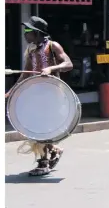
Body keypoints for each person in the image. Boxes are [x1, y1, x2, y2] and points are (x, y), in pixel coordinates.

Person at [6, 16, 73, 176]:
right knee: (36, 127)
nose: (25, 34)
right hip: (35, 94)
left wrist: (51, 68)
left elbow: (68, 64)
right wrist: (11, 92)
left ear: (37, 33)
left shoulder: (52, 46)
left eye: (28, 31)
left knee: (42, 127)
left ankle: (44, 163)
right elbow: (24, 75)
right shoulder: (31, 50)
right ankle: (54, 151)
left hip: (52, 95)